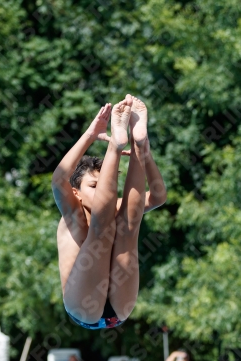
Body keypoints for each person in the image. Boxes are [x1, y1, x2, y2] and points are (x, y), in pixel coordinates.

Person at [51, 95, 167, 329]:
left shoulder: (114, 206)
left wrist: (145, 153)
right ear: (76, 193)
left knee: (128, 225)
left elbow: (157, 196)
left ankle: (137, 144)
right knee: (102, 229)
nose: (102, 191)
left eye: (103, 185)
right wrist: (90, 135)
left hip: (118, 308)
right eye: (93, 186)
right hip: (84, 307)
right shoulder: (71, 214)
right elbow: (58, 180)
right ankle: (117, 144)